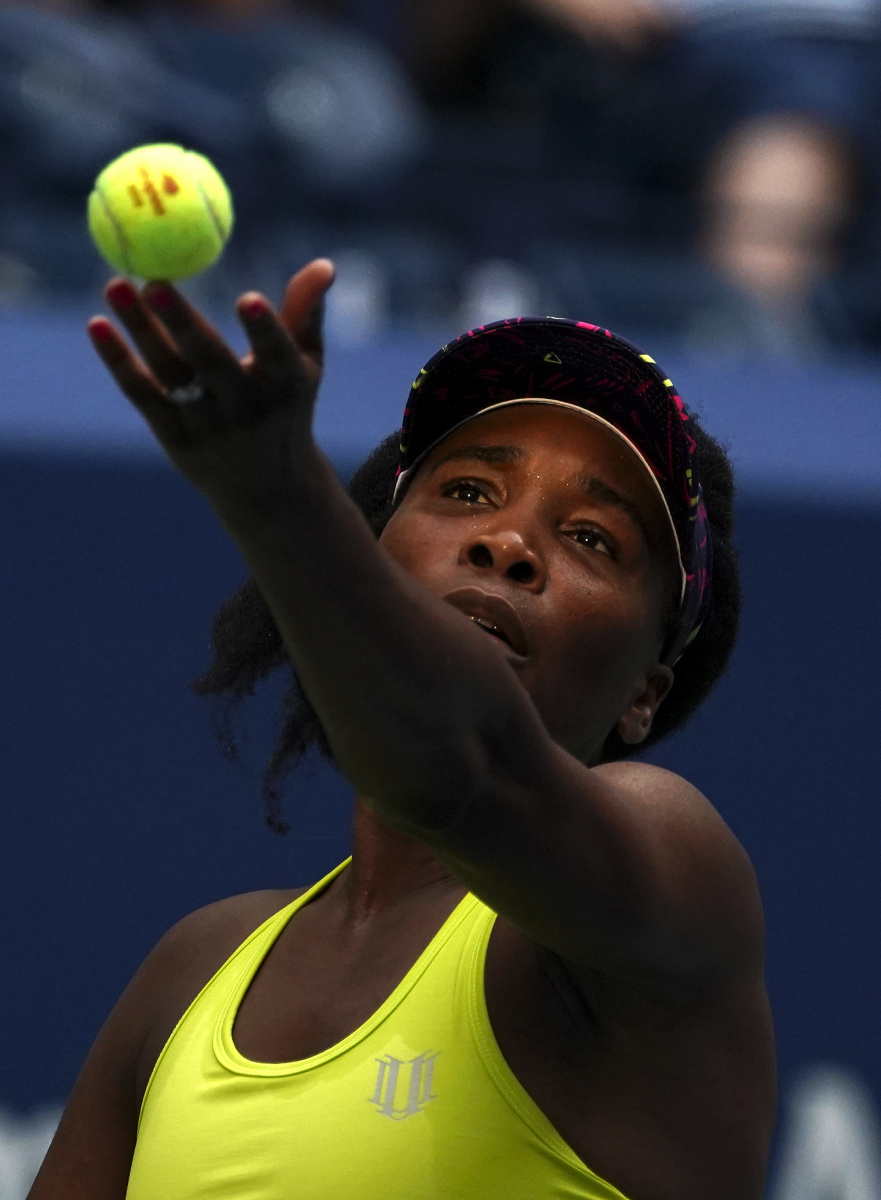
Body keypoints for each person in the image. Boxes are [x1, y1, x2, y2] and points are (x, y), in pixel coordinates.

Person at [28, 259, 775, 1200]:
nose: (507, 542)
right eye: (466, 492)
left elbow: (453, 770)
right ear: (374, 550)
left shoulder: (668, 871)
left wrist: (278, 496)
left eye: (592, 537)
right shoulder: (196, 969)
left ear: (644, 695)